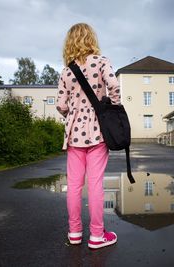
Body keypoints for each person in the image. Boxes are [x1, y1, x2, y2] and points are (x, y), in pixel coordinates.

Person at [56, 23, 120, 249]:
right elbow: (114, 86)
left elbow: (60, 105)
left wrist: (72, 112)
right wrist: (112, 107)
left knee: (73, 185)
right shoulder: (102, 62)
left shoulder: (66, 71)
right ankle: (96, 235)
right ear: (91, 38)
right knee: (95, 185)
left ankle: (74, 233)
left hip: (74, 133)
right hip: (98, 131)